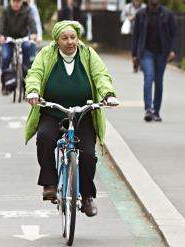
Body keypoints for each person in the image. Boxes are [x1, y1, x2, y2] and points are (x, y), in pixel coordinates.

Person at [24, 21, 119, 217]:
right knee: (44, 137)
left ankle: (86, 197)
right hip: (53, 111)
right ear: (57, 40)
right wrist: (33, 91)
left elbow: (101, 75)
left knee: (87, 155)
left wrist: (108, 94)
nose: (70, 42)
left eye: (73, 37)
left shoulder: (88, 54)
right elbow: (35, 73)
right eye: (65, 38)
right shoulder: (47, 54)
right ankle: (49, 183)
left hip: (82, 114)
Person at [131, 0, 177, 122]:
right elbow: (135, 35)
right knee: (149, 77)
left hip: (162, 52)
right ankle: (148, 109)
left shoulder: (167, 14)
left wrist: (172, 50)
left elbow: (173, 33)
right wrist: (134, 54)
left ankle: (156, 111)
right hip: (146, 52)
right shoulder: (141, 14)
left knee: (159, 81)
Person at [0, 0, 37, 94]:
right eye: (14, 1)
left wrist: (34, 33)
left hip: (22, 38)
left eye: (18, 2)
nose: (16, 4)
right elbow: (0, 23)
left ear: (22, 2)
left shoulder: (27, 10)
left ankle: (27, 81)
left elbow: (32, 22)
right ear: (10, 2)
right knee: (5, 57)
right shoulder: (5, 11)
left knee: (27, 48)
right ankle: (5, 84)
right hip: (8, 39)